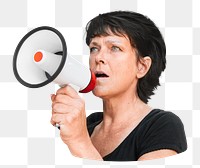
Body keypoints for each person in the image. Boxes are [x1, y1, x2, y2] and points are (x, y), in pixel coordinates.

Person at [50, 11, 187, 161]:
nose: (99, 58)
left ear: (142, 66)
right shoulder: (89, 124)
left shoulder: (163, 125)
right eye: (94, 48)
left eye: (115, 48)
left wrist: (80, 141)